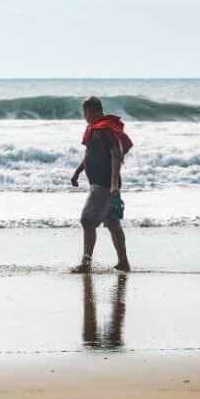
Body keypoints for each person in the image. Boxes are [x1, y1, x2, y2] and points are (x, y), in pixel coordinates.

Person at [70, 96, 133, 273]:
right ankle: (123, 262)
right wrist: (78, 172)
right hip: (105, 184)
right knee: (113, 223)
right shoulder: (96, 128)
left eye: (84, 112)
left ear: (88, 111)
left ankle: (86, 264)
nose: (83, 115)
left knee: (87, 221)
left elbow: (116, 155)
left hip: (104, 184)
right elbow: (91, 154)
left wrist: (113, 184)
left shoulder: (103, 129)